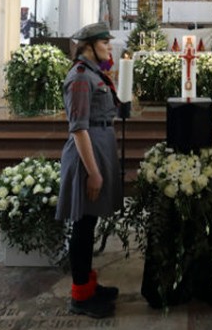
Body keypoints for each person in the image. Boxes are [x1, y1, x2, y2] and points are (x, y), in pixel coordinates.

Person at [56, 22, 123, 318]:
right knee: (82, 227)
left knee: (89, 223)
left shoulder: (94, 73)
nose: (109, 48)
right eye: (105, 43)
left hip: (99, 146)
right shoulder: (81, 78)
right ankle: (80, 296)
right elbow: (79, 129)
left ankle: (89, 285)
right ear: (88, 46)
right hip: (87, 155)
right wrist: (93, 172)